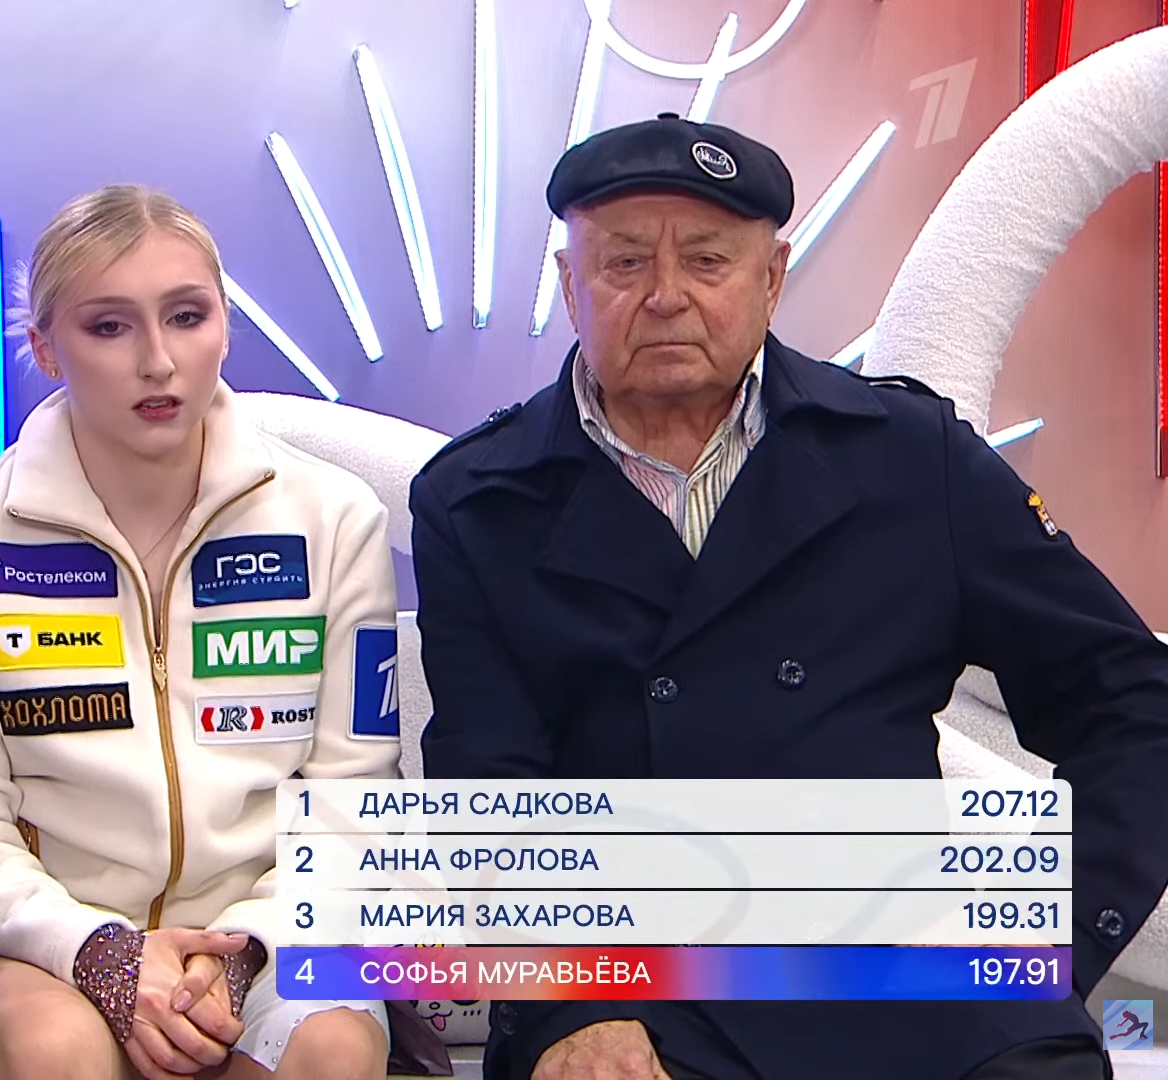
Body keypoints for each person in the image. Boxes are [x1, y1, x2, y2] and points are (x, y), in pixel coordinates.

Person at [410, 113, 1168, 1080]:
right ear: (569, 285)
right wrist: (571, 1010)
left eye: (708, 261)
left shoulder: (912, 459)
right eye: (625, 262)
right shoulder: (478, 501)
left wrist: (1042, 938)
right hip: (631, 992)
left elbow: (1135, 706)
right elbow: (488, 796)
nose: (666, 296)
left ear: (772, 278)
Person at [0, 184, 398, 1080]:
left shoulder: (333, 518)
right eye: (109, 326)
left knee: (329, 1049)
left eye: (187, 316)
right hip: (38, 954)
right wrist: (103, 956)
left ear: (224, 327)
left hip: (273, 944)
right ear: (45, 347)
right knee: (56, 1050)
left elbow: (354, 805)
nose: (158, 360)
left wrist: (240, 955)